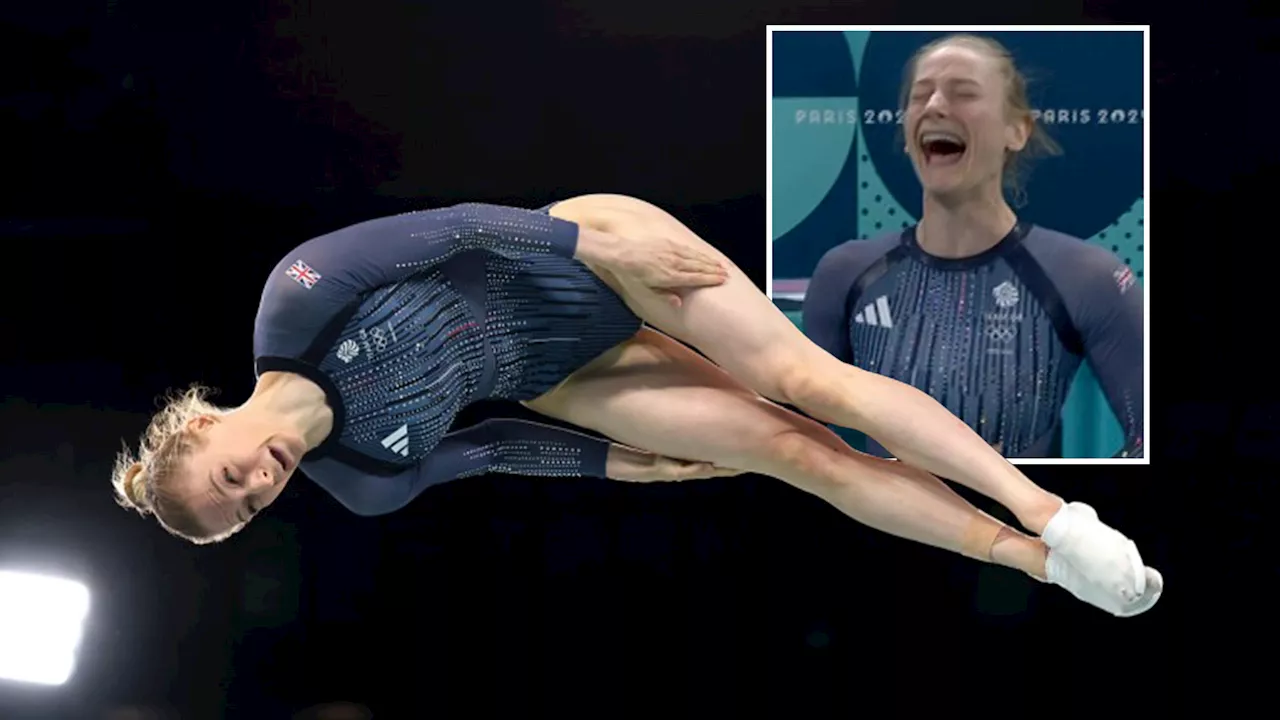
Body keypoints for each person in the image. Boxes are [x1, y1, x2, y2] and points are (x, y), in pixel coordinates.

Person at [112, 193, 1160, 617]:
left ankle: (1051, 513)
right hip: (569, 375)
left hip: (579, 254)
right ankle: (1047, 567)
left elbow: (457, 226)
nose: (256, 489)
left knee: (801, 383)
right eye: (243, 511)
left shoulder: (296, 298)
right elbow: (483, 455)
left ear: (205, 422)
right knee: (795, 455)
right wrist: (613, 464)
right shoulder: (360, 482)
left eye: (228, 477)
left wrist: (596, 247)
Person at [803, 33, 1143, 459]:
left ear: (1016, 131)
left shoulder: (1088, 278)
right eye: (920, 95)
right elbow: (793, 437)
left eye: (963, 93)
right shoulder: (845, 273)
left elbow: (1147, 441)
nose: (934, 106)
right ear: (908, 135)